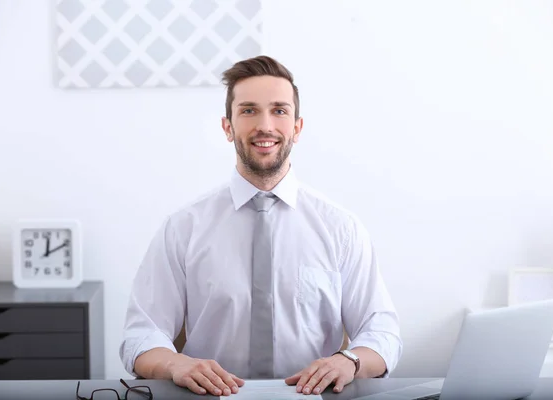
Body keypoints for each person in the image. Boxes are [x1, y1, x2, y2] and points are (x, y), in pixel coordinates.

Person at [119, 55, 402, 396]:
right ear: (228, 127)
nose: (265, 125)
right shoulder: (183, 228)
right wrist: (176, 363)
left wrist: (350, 361)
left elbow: (382, 331)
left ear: (297, 128)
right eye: (249, 110)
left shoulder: (341, 228)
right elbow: (140, 335)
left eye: (279, 110)